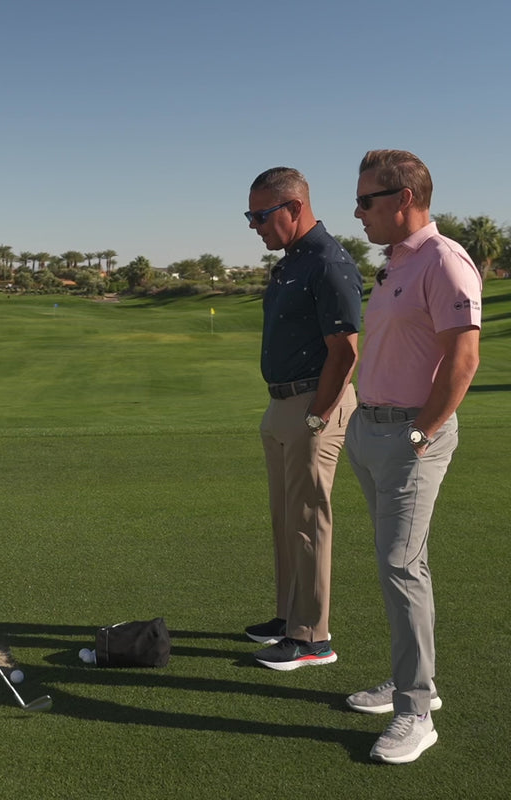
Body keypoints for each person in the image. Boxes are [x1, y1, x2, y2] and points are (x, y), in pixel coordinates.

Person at [345, 150, 481, 764]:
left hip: (410, 438)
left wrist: (422, 435)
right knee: (401, 565)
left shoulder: (445, 260)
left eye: (367, 200)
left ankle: (416, 710)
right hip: (371, 431)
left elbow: (464, 359)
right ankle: (407, 683)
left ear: (404, 199)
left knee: (400, 565)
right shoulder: (396, 263)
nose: (358, 212)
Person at [244, 167, 363, 670]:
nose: (255, 226)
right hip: (282, 403)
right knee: (285, 519)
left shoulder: (328, 262)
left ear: (294, 208)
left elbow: (346, 352)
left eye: (262, 215)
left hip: (316, 402)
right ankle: (288, 617)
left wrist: (317, 418)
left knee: (309, 521)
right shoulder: (293, 260)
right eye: (250, 216)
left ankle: (313, 639)